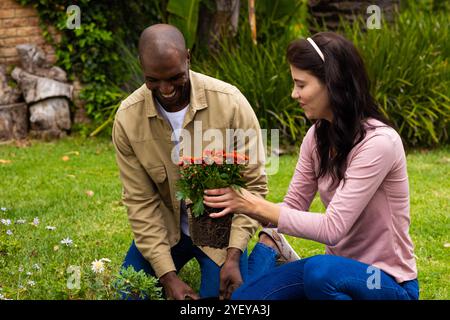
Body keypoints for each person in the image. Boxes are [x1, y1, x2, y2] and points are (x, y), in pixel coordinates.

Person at [203, 32, 419, 300]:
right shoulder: (316, 137)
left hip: (385, 281)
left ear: (333, 83)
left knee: (319, 273)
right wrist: (233, 197)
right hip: (335, 272)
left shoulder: (379, 143)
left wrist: (253, 204)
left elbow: (332, 228)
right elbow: (293, 206)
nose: (294, 94)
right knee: (245, 301)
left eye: (301, 85)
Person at [112, 24, 267, 300]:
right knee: (129, 295)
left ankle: (266, 253)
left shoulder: (230, 103)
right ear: (142, 66)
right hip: (165, 229)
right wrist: (168, 277)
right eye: (154, 80)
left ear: (188, 58)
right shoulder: (127, 118)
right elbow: (140, 202)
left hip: (219, 233)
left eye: (174, 77)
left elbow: (253, 185)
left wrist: (234, 254)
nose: (166, 89)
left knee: (226, 298)